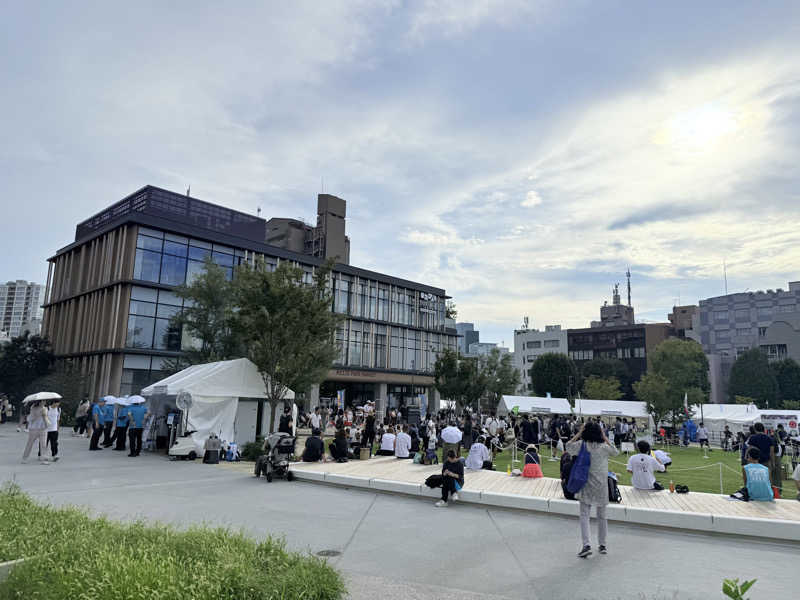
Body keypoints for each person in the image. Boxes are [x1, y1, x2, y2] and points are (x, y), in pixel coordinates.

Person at [566, 421, 619, 558]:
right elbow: (615, 451)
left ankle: (586, 544)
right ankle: (602, 544)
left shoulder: (581, 445)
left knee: (584, 515)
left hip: (586, 483)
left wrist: (578, 433)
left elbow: (568, 446)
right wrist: (604, 435)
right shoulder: (604, 448)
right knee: (602, 516)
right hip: (601, 484)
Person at [22, 400, 50, 465]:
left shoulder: (45, 408)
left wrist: (44, 415)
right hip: (34, 428)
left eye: (45, 401)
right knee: (30, 443)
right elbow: (30, 419)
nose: (44, 402)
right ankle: (24, 458)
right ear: (39, 402)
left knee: (43, 445)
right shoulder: (33, 408)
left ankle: (44, 459)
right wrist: (38, 414)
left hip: (43, 428)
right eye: (43, 401)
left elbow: (46, 418)